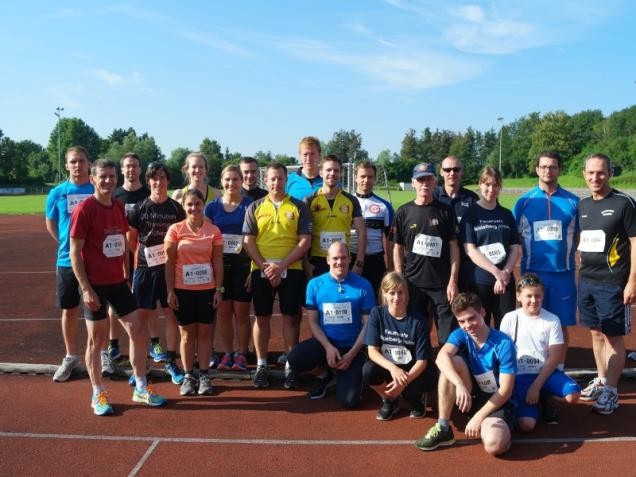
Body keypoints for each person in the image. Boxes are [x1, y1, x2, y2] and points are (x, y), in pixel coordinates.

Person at [69, 159, 167, 415]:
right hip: (95, 285)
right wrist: (86, 288)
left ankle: (141, 387)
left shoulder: (118, 207)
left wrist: (126, 274)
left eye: (112, 176)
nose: (108, 181)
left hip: (118, 283)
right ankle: (97, 393)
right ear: (93, 179)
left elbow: (122, 243)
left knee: (138, 329)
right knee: (97, 340)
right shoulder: (84, 209)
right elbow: (75, 252)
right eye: (103, 176)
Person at [415, 293, 515, 456]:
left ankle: (502, 428)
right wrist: (460, 385)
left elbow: (505, 391)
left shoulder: (503, 343)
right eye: (462, 321)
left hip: (496, 400)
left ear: (482, 312)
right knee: (451, 361)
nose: (467, 325)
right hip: (470, 394)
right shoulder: (460, 335)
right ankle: (443, 427)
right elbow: (441, 357)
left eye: (471, 318)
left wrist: (479, 417)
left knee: (495, 445)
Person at [576, 153, 636, 415]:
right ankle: (601, 380)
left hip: (613, 283)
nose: (595, 177)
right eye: (590, 173)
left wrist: (632, 282)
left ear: (610, 173)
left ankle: (611, 391)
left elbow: (635, 244)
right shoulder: (583, 205)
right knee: (595, 333)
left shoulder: (624, 203)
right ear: (584, 174)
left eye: (600, 172)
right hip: (587, 280)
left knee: (613, 336)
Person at [242, 163, 311, 389]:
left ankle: (291, 365)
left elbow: (305, 241)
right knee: (261, 317)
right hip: (262, 269)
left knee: (291, 317)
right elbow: (248, 241)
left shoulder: (299, 207)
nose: (275, 183)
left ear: (285, 180)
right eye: (272, 179)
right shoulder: (255, 206)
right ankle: (262, 365)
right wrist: (265, 267)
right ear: (266, 180)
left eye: (280, 179)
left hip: (291, 269)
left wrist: (281, 267)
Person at [287, 241, 374, 408]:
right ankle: (324, 375)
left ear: (349, 259)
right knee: (295, 359)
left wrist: (351, 355)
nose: (339, 262)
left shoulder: (364, 285)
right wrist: (328, 347)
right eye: (335, 258)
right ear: (327, 260)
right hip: (326, 345)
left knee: (349, 402)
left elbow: (367, 325)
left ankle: (352, 377)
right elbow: (312, 321)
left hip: (353, 348)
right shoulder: (314, 285)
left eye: (343, 258)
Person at [513, 151, 579, 367]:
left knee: (560, 325)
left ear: (559, 169)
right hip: (533, 272)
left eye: (552, 167)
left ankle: (557, 369)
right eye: (543, 167)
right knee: (531, 322)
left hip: (563, 274)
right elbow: (515, 238)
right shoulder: (523, 202)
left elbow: (578, 237)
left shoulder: (573, 201)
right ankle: (533, 368)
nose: (547, 170)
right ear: (537, 169)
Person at [127, 162, 186, 386]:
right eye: (154, 178)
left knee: (171, 315)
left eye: (162, 178)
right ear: (148, 181)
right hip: (144, 271)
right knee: (140, 320)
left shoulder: (176, 209)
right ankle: (143, 366)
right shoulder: (138, 208)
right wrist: (145, 259)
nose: (158, 182)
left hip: (170, 271)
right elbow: (131, 240)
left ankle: (171, 361)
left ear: (168, 181)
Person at [500, 273, 580, 431]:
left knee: (573, 395)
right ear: (518, 296)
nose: (533, 300)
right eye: (528, 296)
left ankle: (545, 396)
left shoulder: (552, 320)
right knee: (526, 425)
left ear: (543, 296)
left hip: (545, 373)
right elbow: (503, 354)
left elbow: (555, 357)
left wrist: (536, 387)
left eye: (538, 296)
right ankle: (529, 404)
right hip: (520, 376)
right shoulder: (509, 318)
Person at [392, 162, 459, 346]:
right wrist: (399, 276)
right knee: (415, 337)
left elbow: (454, 247)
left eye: (428, 179)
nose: (425, 184)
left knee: (447, 340)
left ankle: (444, 373)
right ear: (413, 183)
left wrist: (453, 280)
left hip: (442, 285)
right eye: (420, 180)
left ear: (435, 181)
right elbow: (397, 247)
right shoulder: (403, 212)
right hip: (414, 284)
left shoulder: (445, 211)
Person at [165, 188, 224, 396]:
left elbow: (217, 261)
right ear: (184, 206)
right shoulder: (175, 230)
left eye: (197, 204)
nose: (193, 208)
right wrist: (170, 291)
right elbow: (169, 262)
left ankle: (205, 374)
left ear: (203, 205)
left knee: (205, 333)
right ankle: (189, 375)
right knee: (187, 334)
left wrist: (219, 289)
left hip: (207, 290)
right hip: (183, 290)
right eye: (189, 205)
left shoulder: (213, 231)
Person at [45, 146, 94, 382]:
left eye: (81, 161)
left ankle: (101, 353)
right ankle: (71, 355)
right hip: (66, 260)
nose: (77, 165)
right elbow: (51, 223)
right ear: (67, 165)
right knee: (69, 309)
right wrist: (68, 244)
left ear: (88, 164)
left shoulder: (97, 189)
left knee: (98, 309)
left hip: (95, 261)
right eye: (73, 161)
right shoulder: (57, 193)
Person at [363, 272, 437, 420]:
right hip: (391, 369)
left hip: (414, 371)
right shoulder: (376, 314)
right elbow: (372, 351)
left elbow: (422, 362)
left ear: (407, 294)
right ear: (384, 294)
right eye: (392, 293)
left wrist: (403, 384)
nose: (397, 298)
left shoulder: (418, 321)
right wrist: (394, 369)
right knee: (368, 371)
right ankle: (389, 399)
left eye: (401, 292)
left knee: (412, 390)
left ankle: (415, 399)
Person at [204, 165, 253, 372]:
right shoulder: (212, 208)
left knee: (241, 314)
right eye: (227, 179)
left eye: (235, 179)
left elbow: (255, 241)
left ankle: (242, 354)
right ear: (221, 181)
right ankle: (227, 353)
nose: (231, 184)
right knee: (223, 314)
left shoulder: (250, 206)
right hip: (220, 269)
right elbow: (206, 241)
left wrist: (253, 269)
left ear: (241, 182)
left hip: (243, 268)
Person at [461, 166, 520, 329]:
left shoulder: (507, 214)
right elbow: (470, 250)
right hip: (480, 280)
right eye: (487, 184)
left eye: (495, 185)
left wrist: (505, 273)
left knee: (506, 326)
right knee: (480, 325)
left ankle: (504, 355)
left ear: (500, 187)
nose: (491, 189)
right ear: (480, 185)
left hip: (506, 280)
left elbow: (515, 247)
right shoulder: (470, 214)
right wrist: (497, 273)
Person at [305, 155, 366, 278]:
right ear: (321, 172)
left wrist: (359, 263)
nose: (332, 173)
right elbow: (303, 234)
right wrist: (306, 263)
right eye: (328, 170)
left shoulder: (351, 200)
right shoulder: (309, 200)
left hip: (342, 260)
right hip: (318, 260)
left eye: (336, 170)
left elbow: (362, 232)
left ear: (340, 173)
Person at [434, 155, 479, 292]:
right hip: (438, 263)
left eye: (456, 169)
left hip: (467, 264)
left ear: (461, 171)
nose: (452, 173)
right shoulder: (432, 196)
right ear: (441, 172)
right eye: (447, 170)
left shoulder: (472, 199)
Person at [350, 160, 394, 299]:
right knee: (350, 300)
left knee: (375, 303)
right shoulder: (346, 202)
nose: (366, 180)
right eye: (362, 176)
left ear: (374, 178)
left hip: (375, 261)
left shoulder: (384, 206)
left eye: (370, 177)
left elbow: (390, 239)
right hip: (350, 258)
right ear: (355, 177)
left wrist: (391, 267)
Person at [286, 136, 323, 200]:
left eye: (312, 154)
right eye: (305, 154)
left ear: (319, 155)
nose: (309, 158)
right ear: (300, 156)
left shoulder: (330, 181)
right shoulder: (288, 180)